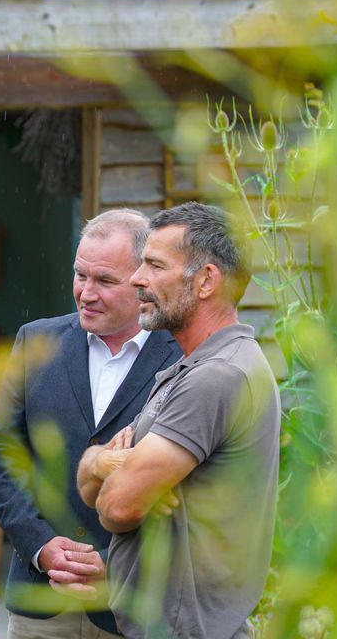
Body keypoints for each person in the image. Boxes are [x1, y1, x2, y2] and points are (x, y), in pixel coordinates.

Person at [76, 202, 280, 638]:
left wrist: (118, 477)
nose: (137, 279)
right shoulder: (188, 369)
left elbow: (115, 507)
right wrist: (101, 463)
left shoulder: (216, 376)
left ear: (206, 280)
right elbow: (95, 487)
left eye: (154, 265)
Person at [0, 209, 182, 639]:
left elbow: (190, 489)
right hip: (40, 601)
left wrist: (112, 562)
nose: (86, 293)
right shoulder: (35, 341)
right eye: (80, 276)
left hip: (135, 608)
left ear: (144, 279)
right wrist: (40, 545)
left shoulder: (183, 359)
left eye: (105, 281)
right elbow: (0, 454)